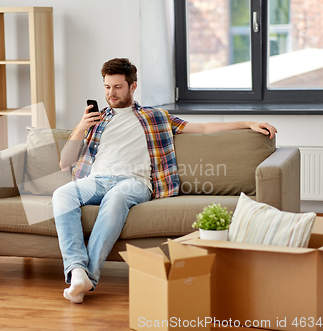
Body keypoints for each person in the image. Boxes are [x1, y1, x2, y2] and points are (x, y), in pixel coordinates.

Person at [52, 58, 277, 304]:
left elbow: (202, 128)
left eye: (117, 87)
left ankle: (87, 276)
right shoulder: (95, 121)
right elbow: (65, 163)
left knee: (115, 198)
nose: (111, 93)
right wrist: (80, 127)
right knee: (62, 194)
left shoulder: (155, 116)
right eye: (107, 87)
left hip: (133, 182)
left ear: (132, 86)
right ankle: (77, 271)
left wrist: (247, 123)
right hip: (98, 179)